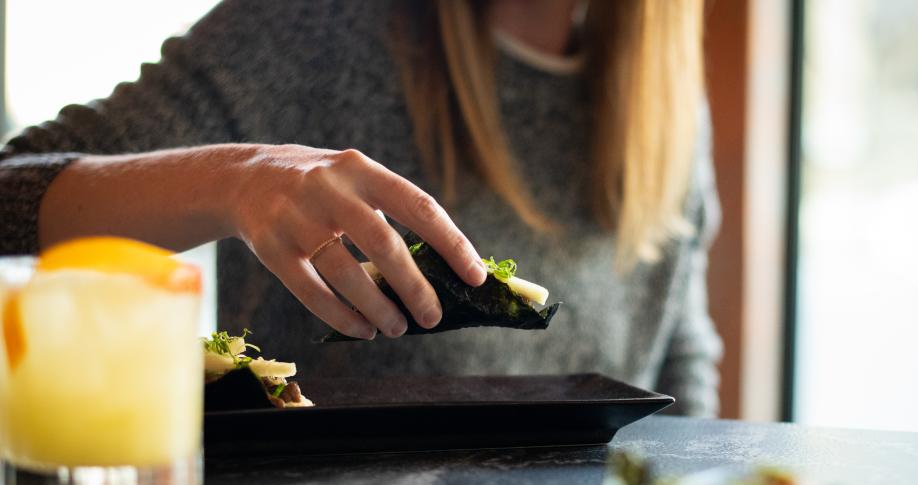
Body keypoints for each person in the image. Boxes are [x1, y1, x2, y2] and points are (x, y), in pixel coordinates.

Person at [0, 0, 722, 416]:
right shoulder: (313, 26)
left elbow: (676, 355)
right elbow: (11, 194)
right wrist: (237, 178)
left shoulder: (669, 101)